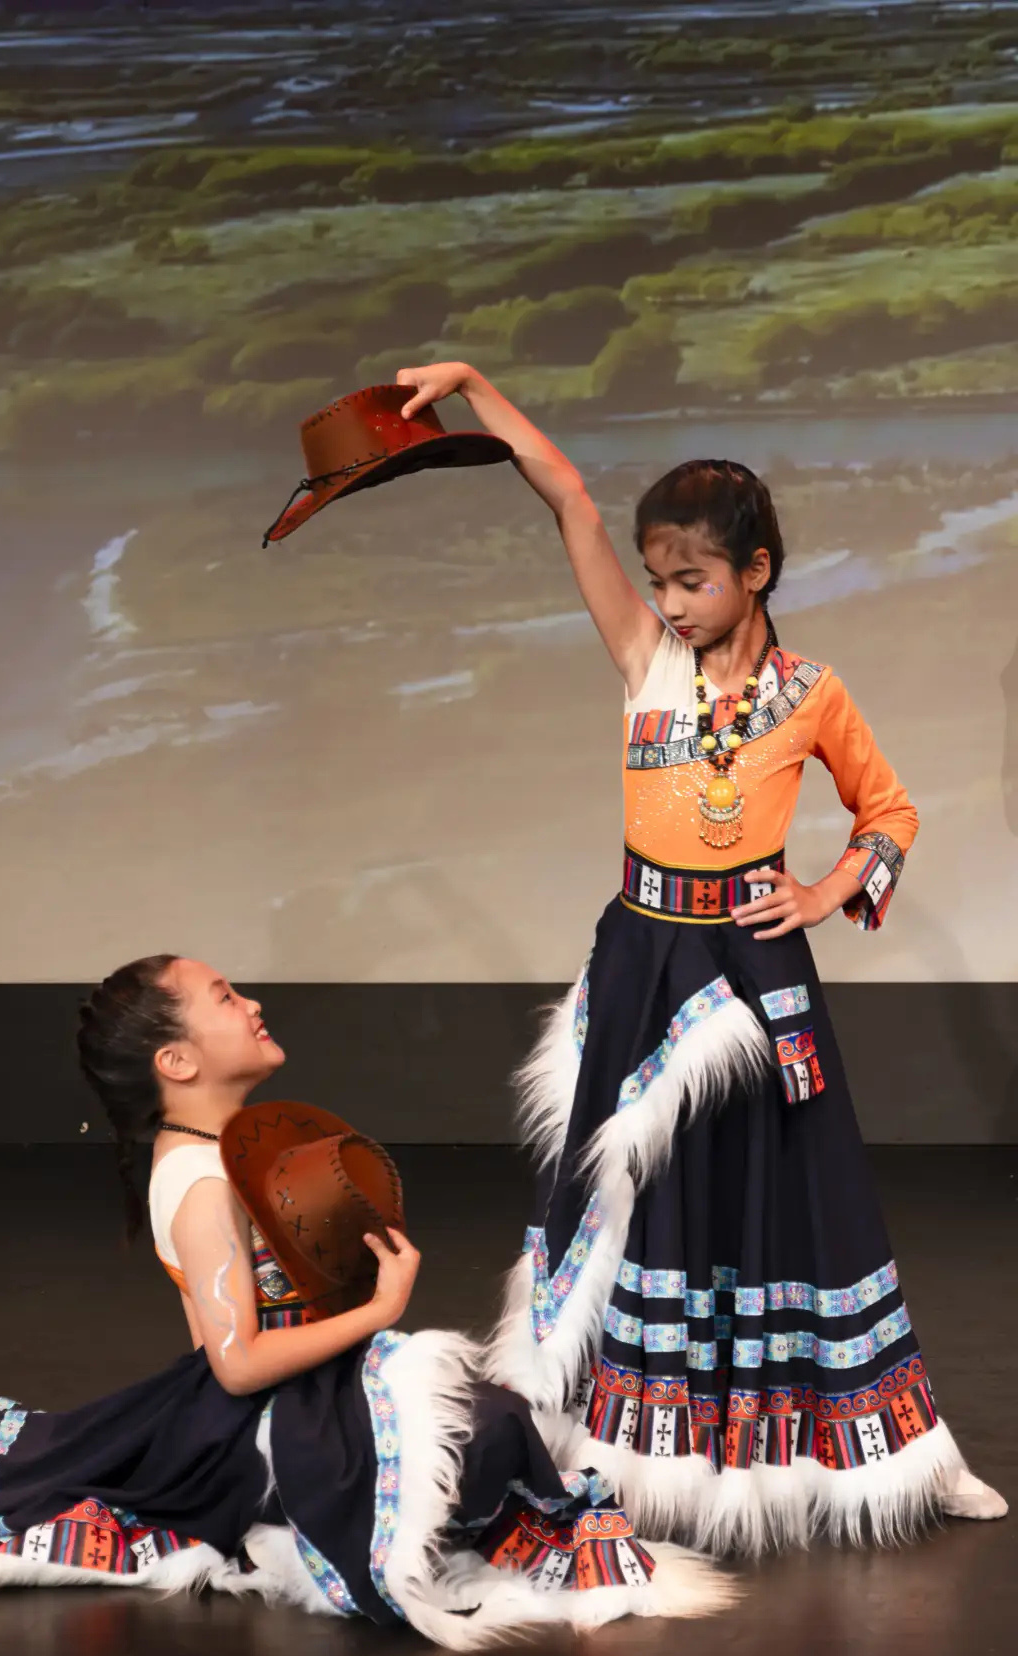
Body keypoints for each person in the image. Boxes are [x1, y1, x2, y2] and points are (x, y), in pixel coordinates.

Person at [393, 361, 1006, 1551]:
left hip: (750, 969)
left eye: (693, 580)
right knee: (632, 1201)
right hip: (642, 967)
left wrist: (828, 889)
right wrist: (472, 384)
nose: (668, 601)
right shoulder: (646, 665)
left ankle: (901, 1453)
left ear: (756, 572)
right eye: (660, 579)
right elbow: (565, 492)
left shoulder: (813, 694)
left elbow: (891, 814)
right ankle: (625, 1445)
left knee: (801, 1203)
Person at [0, 955, 734, 1645]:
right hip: (256, 1413)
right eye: (224, 998)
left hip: (291, 1385)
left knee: (488, 1425)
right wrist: (379, 1313)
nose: (251, 1003)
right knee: (483, 1435)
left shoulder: (216, 1156)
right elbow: (238, 1359)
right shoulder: (202, 1183)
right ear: (177, 1060)